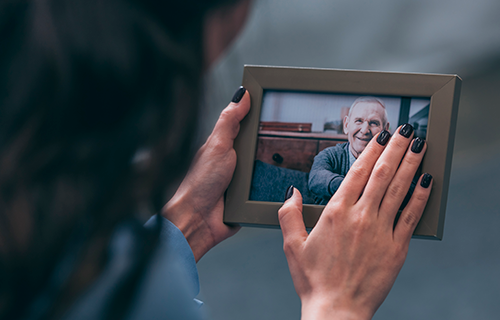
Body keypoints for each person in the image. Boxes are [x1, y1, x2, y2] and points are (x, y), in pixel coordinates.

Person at [0, 1, 432, 319]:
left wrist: (184, 225)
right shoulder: (135, 290)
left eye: (376, 124)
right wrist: (339, 305)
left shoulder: (46, 217)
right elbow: (319, 176)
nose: (367, 131)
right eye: (360, 121)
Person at [308, 96, 393, 204]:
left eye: (374, 123)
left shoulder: (393, 160)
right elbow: (316, 179)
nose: (364, 130)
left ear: (386, 130)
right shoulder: (329, 155)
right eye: (358, 121)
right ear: (347, 125)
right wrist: (360, 189)